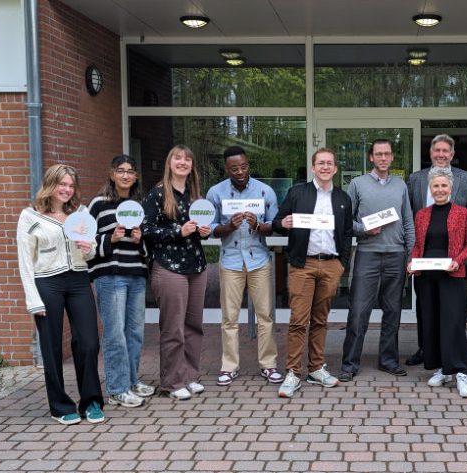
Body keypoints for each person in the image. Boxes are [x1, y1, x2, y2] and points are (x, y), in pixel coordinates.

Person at [16, 164, 105, 425]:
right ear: (50, 184)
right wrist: (32, 299)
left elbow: (91, 251)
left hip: (78, 279)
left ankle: (91, 402)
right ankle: (60, 406)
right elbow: (25, 259)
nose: (67, 190)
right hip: (47, 282)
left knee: (88, 342)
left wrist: (88, 248)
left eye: (71, 185)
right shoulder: (30, 216)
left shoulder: (81, 213)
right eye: (62, 184)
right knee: (51, 345)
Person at [272, 148, 353, 398]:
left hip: (330, 265)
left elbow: (347, 233)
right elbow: (277, 222)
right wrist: (282, 223)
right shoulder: (297, 193)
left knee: (320, 320)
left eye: (329, 163)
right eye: (321, 163)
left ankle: (316, 369)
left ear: (335, 168)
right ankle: (293, 373)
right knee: (298, 320)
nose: (325, 167)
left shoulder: (342, 198)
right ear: (313, 167)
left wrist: (341, 263)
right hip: (302, 266)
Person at [339, 139, 416, 382]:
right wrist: (364, 229)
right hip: (367, 254)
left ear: (392, 157)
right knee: (358, 311)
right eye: (378, 154)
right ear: (371, 157)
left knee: (393, 311)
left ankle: (389, 360)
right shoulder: (357, 184)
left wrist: (411, 255)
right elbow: (345, 221)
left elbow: (408, 221)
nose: (383, 158)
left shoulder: (401, 185)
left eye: (387, 154)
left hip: (396, 255)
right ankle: (350, 364)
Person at [206, 146, 283, 386]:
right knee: (229, 317)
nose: (240, 172)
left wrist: (258, 226)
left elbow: (275, 225)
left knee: (265, 316)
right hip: (230, 261)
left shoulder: (265, 191)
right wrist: (229, 226)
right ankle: (229, 367)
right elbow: (209, 228)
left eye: (244, 166)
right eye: (234, 168)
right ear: (226, 168)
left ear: (248, 164)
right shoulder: (215, 193)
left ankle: (268, 365)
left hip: (259, 260)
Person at [142, 145, 212, 400]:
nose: (183, 162)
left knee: (194, 326)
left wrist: (204, 232)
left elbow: (201, 230)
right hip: (169, 266)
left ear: (192, 165)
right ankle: (172, 382)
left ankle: (189, 376)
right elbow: (145, 229)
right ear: (169, 163)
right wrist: (177, 231)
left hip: (196, 266)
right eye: (177, 158)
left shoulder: (196, 196)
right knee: (173, 328)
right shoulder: (158, 194)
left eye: (187, 159)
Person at [405, 134, 467, 366]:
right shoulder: (415, 179)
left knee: (451, 313)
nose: (440, 154)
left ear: (452, 154)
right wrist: (413, 258)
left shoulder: (466, 178)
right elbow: (409, 216)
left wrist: (462, 256)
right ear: (430, 153)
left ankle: (451, 358)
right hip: (424, 258)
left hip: (452, 259)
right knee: (425, 309)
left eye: (445, 150)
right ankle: (426, 349)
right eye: (436, 150)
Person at [88, 154, 154, 408]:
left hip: (136, 274)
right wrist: (110, 239)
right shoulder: (99, 204)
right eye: (121, 170)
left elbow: (148, 248)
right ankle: (117, 389)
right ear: (112, 174)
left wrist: (140, 240)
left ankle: (132, 381)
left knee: (135, 333)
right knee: (115, 334)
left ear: (136, 177)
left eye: (130, 171)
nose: (125, 175)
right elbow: (86, 243)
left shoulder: (139, 205)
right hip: (110, 276)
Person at [408, 170, 467, 398]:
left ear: (451, 188)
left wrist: (458, 261)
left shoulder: (462, 213)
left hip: (452, 274)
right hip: (426, 276)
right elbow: (418, 245)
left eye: (443, 186)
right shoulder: (422, 215)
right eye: (435, 186)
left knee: (453, 322)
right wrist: (412, 262)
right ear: (430, 188)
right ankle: (442, 369)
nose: (439, 190)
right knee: (432, 322)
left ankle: (461, 372)